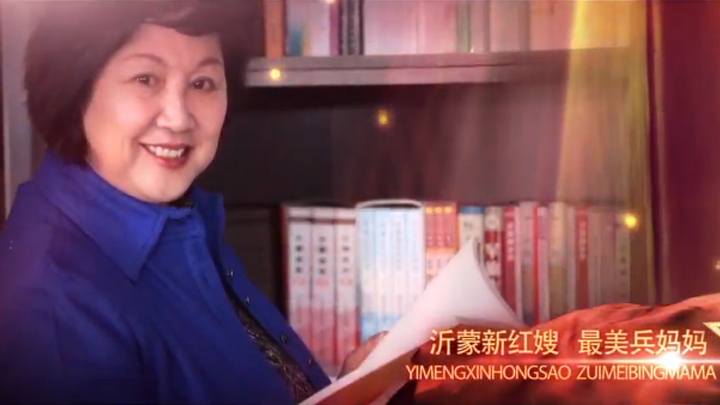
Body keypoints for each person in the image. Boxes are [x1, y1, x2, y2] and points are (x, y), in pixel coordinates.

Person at [0, 1, 383, 404]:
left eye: (202, 83)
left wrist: (348, 392)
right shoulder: (53, 306)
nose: (179, 117)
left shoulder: (180, 217)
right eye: (146, 79)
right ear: (73, 87)